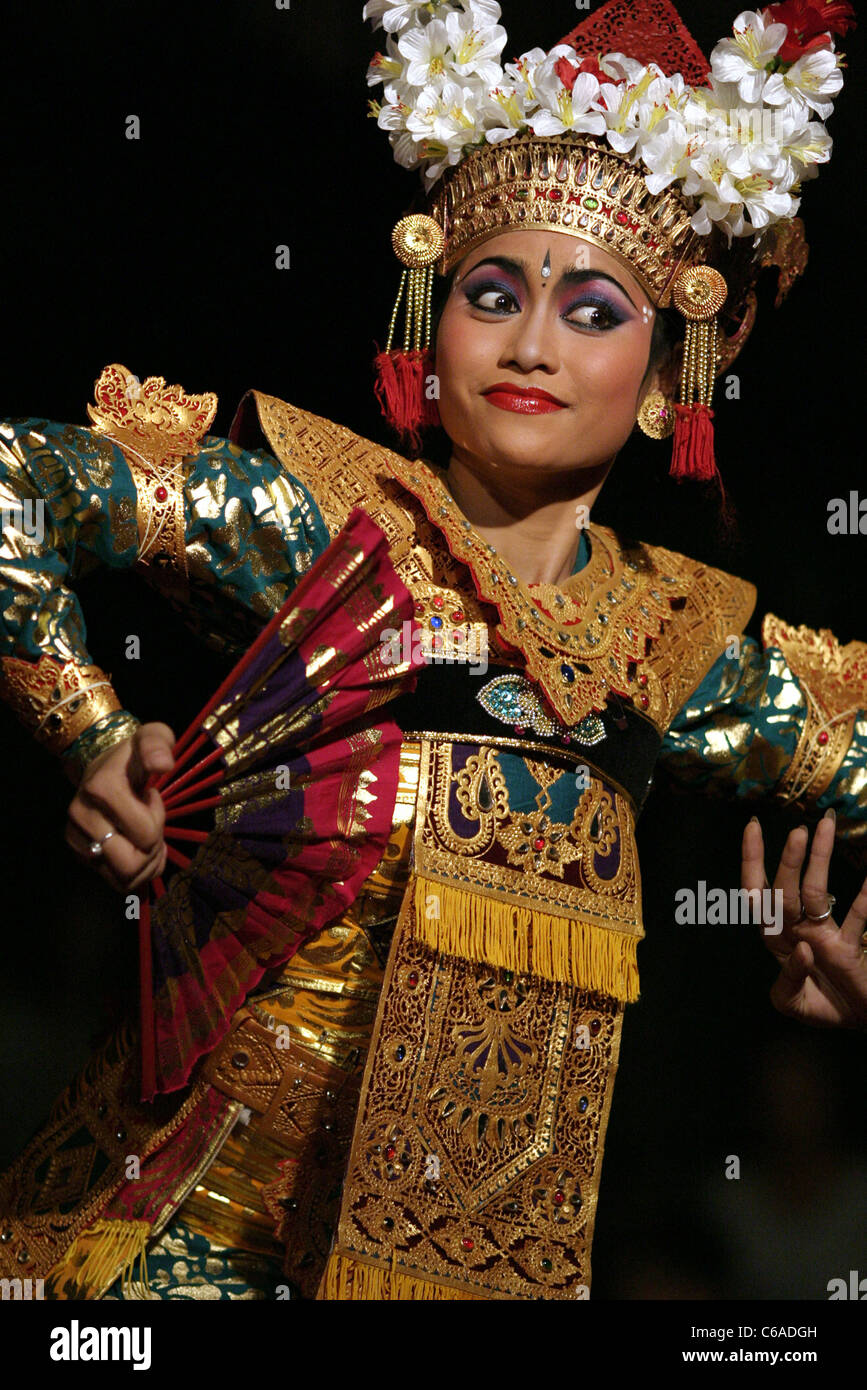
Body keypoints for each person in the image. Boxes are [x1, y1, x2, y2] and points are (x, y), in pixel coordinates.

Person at [0, 0, 864, 1301]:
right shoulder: (326, 515)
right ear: (430, 321)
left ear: (670, 377)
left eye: (591, 311)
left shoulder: (680, 638)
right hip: (175, 1247)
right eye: (494, 294)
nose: (529, 345)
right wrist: (92, 730)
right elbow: (17, 481)